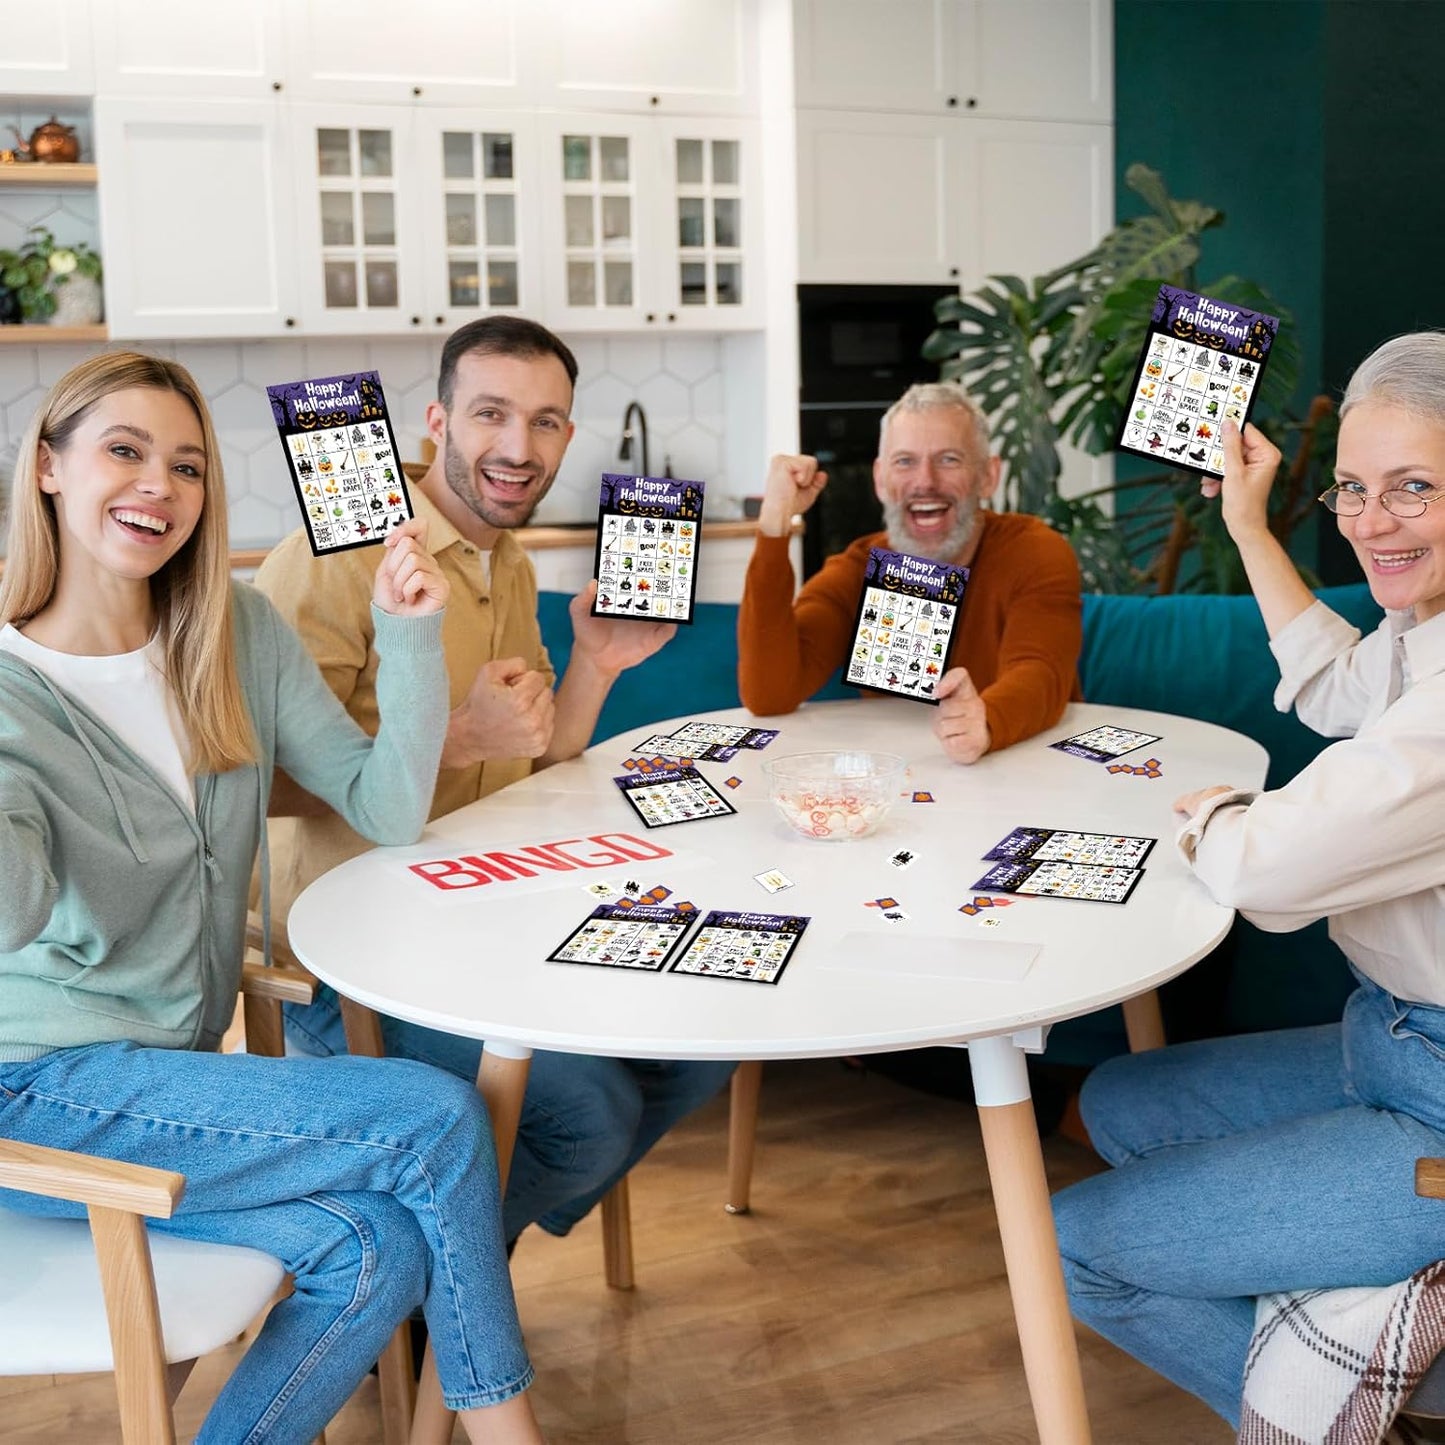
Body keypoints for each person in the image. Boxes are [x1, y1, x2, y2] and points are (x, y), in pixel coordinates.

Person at [0, 352, 542, 1441]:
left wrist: (408, 631)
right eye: (124, 450)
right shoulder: (12, 693)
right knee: (431, 1114)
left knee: (372, 1246)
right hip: (34, 1086)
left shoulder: (234, 630)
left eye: (186, 464)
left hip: (166, 1080)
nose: (159, 483)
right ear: (50, 468)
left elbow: (383, 805)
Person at [255, 315, 737, 1248]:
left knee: (702, 1039)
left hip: (483, 918)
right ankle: (419, 1280)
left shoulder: (506, 561)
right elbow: (256, 779)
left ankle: (454, 1261)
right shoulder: (335, 553)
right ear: (436, 420)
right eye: (491, 414)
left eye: (547, 421)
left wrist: (596, 665)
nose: (519, 448)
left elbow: (529, 771)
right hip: (338, 957)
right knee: (587, 1105)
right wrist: (454, 736)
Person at [1051, 331, 1445, 1427]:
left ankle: (1349, 1412)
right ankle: (1369, 1314)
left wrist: (1216, 814)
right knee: (1122, 1099)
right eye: (1354, 490)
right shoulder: (1423, 630)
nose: (1369, 522)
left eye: (1411, 489)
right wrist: (1242, 518)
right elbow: (1332, 684)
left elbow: (1264, 871)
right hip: (1394, 1035)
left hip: (1436, 1093)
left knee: (1084, 1246)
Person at [736, 380, 1082, 762]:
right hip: (906, 784)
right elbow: (768, 695)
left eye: (949, 459)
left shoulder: (1034, 550)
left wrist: (985, 720)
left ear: (988, 475)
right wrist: (773, 524)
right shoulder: (859, 568)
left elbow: (1041, 671)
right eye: (905, 461)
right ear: (880, 479)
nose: (925, 482)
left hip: (1032, 767)